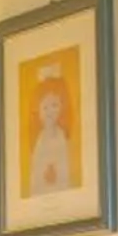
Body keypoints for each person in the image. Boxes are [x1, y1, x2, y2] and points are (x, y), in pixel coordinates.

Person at [25, 64, 75, 195]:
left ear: (62, 106)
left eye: (54, 105)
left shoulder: (62, 137)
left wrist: (55, 173)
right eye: (45, 107)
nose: (50, 112)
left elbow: (65, 169)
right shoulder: (38, 140)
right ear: (38, 110)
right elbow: (35, 172)